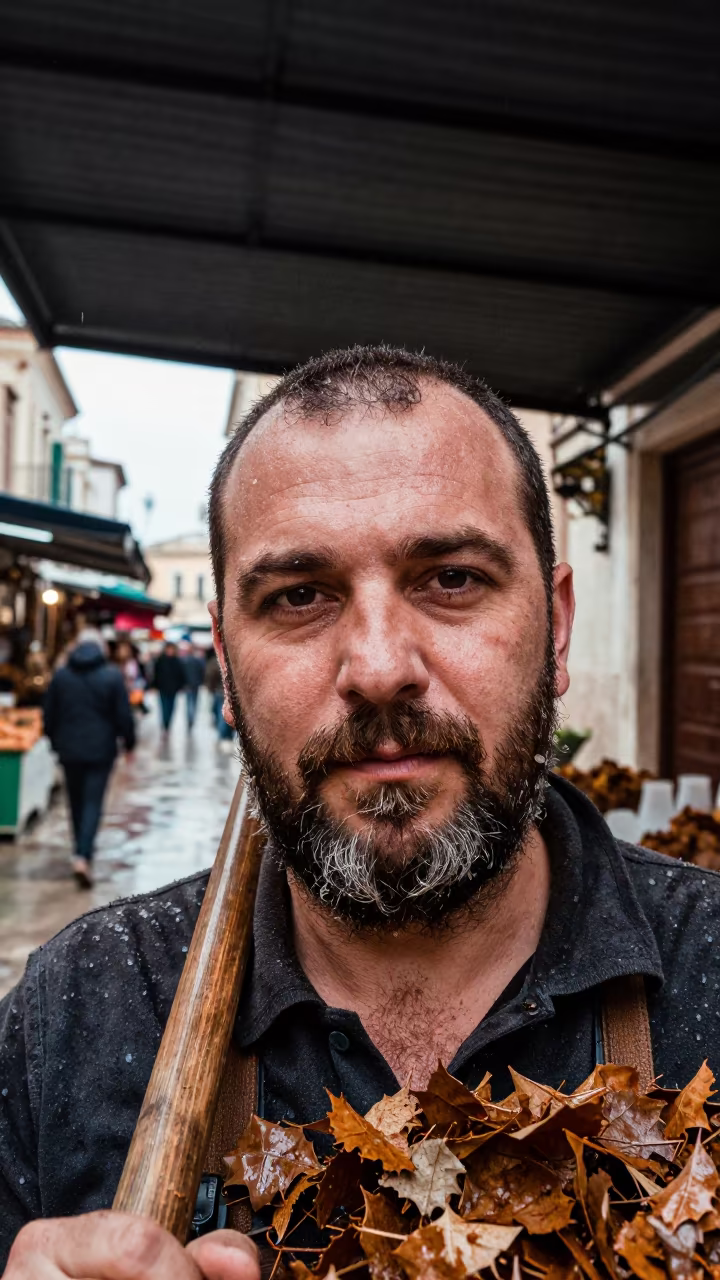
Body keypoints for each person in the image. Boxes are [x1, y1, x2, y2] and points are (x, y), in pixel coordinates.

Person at [3, 344, 720, 1278]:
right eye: (299, 596)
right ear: (223, 660)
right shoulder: (79, 1010)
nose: (380, 668)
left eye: (452, 578)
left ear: (558, 627)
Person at [42, 627, 135, 888]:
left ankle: (78, 851)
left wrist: (53, 739)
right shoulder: (111, 676)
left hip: (69, 750)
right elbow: (123, 715)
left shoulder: (61, 676)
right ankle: (83, 855)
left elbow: (49, 714)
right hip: (100, 749)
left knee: (75, 801)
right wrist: (129, 743)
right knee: (93, 801)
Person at [151, 640, 186, 732]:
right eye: (168, 649)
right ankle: (165, 723)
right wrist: (154, 685)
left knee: (171, 707)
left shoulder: (177, 661)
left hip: (173, 689)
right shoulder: (160, 660)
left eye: (172, 649)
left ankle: (168, 723)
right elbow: (156, 674)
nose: (170, 651)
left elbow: (180, 675)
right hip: (162, 688)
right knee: (164, 707)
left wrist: (181, 686)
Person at [205, 649, 235, 748]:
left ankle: (223, 736)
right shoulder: (233, 660)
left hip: (219, 691)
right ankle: (227, 736)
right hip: (227, 692)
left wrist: (211, 688)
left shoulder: (215, 662)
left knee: (221, 713)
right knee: (227, 713)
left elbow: (210, 676)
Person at [181, 643, 206, 730]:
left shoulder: (184, 661)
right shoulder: (197, 660)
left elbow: (182, 674)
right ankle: (191, 718)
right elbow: (202, 672)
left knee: (189, 702)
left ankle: (190, 718)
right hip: (195, 685)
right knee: (194, 702)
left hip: (188, 685)